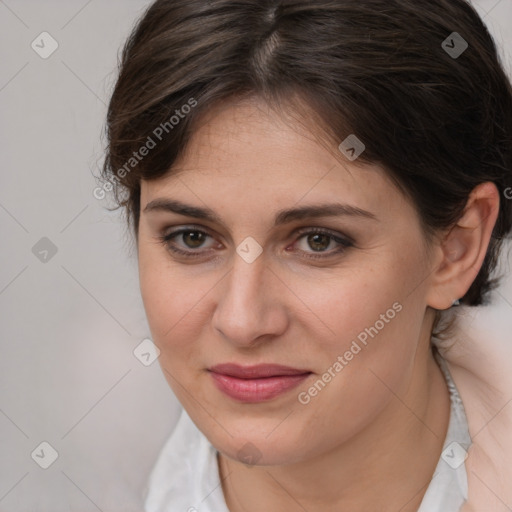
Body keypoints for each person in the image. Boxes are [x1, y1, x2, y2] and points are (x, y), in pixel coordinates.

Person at [98, 0, 512, 510]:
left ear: (456, 247)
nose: (242, 321)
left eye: (319, 241)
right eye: (192, 238)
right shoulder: (94, 467)